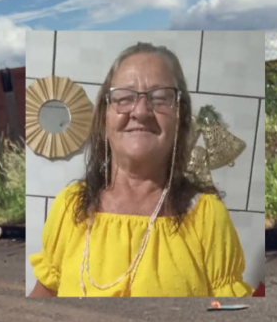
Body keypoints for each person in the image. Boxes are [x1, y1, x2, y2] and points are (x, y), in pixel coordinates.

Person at [29, 42, 253, 298]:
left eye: (160, 98)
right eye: (124, 97)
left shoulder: (207, 216)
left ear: (180, 117)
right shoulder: (70, 207)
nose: (141, 111)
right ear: (105, 117)